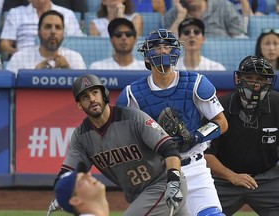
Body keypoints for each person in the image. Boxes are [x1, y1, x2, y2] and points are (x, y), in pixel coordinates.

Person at [116, 28, 228, 216]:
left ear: (175, 52)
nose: (162, 50)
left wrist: (196, 137)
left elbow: (221, 122)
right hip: (157, 173)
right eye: (156, 47)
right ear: (146, 57)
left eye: (167, 46)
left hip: (194, 168)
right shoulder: (131, 95)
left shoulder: (196, 83)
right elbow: (124, 138)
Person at [48, 73, 189, 215]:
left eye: (95, 92)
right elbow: (67, 173)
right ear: (79, 105)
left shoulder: (134, 118)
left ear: (104, 95)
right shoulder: (81, 136)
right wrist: (60, 194)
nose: (92, 99)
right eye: (85, 96)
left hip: (163, 184)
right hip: (137, 195)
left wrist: (173, 181)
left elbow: (170, 150)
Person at [204, 55, 279, 216]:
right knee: (201, 211)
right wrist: (232, 176)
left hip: (268, 179)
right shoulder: (218, 108)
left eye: (260, 78)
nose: (255, 83)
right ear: (238, 78)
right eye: (249, 78)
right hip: (222, 180)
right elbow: (205, 154)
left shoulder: (277, 103)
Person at [6, 10, 86, 74]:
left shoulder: (75, 58)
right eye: (48, 27)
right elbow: (10, 89)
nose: (53, 31)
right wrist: (33, 75)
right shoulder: (20, 57)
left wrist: (69, 72)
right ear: (39, 32)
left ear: (63, 33)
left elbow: (85, 91)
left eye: (58, 27)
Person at [0, 0, 84, 60]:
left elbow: (78, 43)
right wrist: (20, 56)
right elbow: (4, 44)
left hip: (60, 59)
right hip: (26, 60)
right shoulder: (15, 13)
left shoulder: (67, 14)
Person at [164, 0, 245, 38]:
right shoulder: (173, 14)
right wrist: (180, 17)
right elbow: (168, 46)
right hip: (187, 61)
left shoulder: (224, 6)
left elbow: (239, 38)